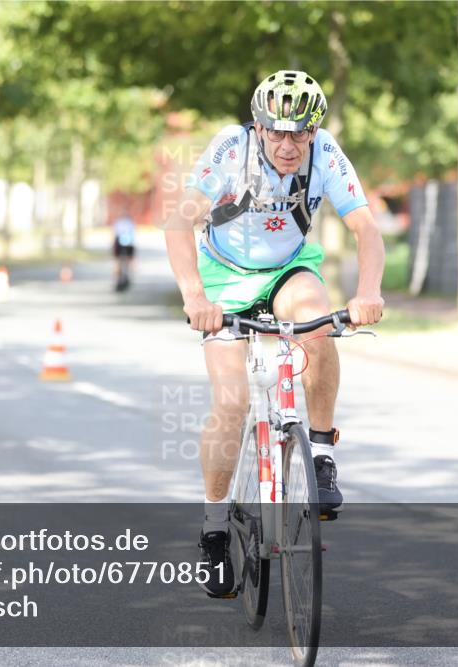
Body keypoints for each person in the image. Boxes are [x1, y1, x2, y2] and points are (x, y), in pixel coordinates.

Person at [163, 70, 385, 598]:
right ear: (259, 126)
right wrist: (195, 297)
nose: (288, 146)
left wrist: (369, 292)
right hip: (224, 277)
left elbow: (366, 229)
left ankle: (323, 454)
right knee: (233, 402)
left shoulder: (325, 152)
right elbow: (179, 223)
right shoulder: (230, 148)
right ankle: (215, 530)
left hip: (287, 268)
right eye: (277, 132)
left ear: (313, 131)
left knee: (319, 327)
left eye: (300, 133)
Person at [111, 210, 136, 291]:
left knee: (118, 261)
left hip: (121, 242)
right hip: (126, 242)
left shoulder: (119, 222)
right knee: (125, 261)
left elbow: (114, 234)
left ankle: (121, 276)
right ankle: (125, 275)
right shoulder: (129, 223)